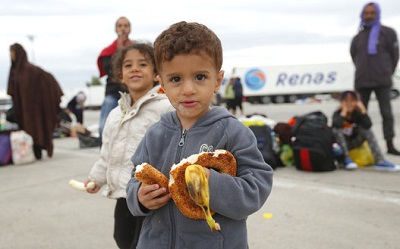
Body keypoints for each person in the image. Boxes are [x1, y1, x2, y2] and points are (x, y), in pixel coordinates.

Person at [126, 21, 273, 249]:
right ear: (161, 83)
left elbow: (256, 189)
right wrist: (139, 198)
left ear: (218, 80)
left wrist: (210, 184)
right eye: (176, 79)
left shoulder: (233, 132)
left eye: (200, 77)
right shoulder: (155, 134)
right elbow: (134, 178)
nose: (188, 89)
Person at [85, 43, 174, 249]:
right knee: (122, 238)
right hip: (124, 195)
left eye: (143, 64)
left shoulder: (166, 107)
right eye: (128, 65)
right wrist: (97, 177)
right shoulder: (116, 114)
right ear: (120, 76)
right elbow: (107, 153)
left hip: (152, 195)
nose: (135, 69)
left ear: (156, 74)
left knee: (147, 243)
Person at [350, 2, 400, 155]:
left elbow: (395, 55)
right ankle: (358, 143)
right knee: (359, 114)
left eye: (372, 12)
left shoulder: (388, 33)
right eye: (366, 13)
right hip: (362, 80)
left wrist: (387, 71)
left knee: (386, 114)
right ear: (362, 15)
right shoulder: (358, 37)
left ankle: (390, 145)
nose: (369, 15)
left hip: (382, 80)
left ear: (377, 14)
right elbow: (354, 56)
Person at [7, 43, 63, 160]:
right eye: (10, 53)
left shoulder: (31, 70)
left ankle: (37, 150)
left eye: (13, 52)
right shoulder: (14, 71)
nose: (11, 55)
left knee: (36, 129)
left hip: (34, 109)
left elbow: (48, 79)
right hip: (22, 109)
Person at [332, 91, 398, 170]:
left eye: (352, 101)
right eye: (346, 101)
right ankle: (347, 159)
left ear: (356, 102)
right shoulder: (337, 113)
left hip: (355, 143)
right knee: (336, 130)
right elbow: (336, 124)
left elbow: (368, 125)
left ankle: (380, 161)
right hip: (341, 146)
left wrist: (363, 110)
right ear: (341, 102)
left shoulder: (357, 113)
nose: (349, 104)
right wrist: (343, 112)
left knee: (366, 129)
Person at [97, 16, 133, 145]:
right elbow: (110, 70)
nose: (123, 28)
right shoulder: (108, 52)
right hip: (113, 94)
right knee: (103, 127)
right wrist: (119, 49)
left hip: (133, 94)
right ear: (116, 29)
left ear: (130, 29)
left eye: (126, 25)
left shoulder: (136, 50)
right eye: (120, 26)